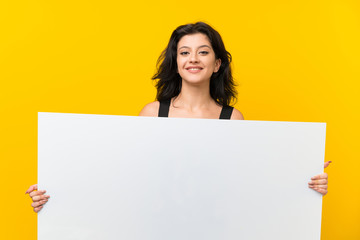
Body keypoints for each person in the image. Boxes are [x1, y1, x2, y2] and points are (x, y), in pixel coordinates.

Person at [26, 22, 330, 212]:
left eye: (203, 52)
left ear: (217, 64)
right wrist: (57, 192)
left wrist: (304, 180)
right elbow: (122, 175)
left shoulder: (232, 118)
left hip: (214, 225)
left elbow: (246, 183)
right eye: (184, 52)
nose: (193, 59)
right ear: (176, 63)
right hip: (155, 223)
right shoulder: (153, 113)